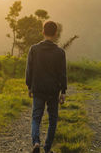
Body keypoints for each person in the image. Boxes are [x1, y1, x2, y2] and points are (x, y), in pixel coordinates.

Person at [26, 21, 67, 153]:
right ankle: (47, 148)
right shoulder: (60, 52)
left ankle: (36, 142)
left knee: (36, 117)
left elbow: (29, 70)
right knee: (53, 119)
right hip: (53, 91)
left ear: (43, 32)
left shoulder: (34, 49)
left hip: (38, 88)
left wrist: (29, 86)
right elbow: (62, 73)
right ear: (56, 34)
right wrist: (63, 91)